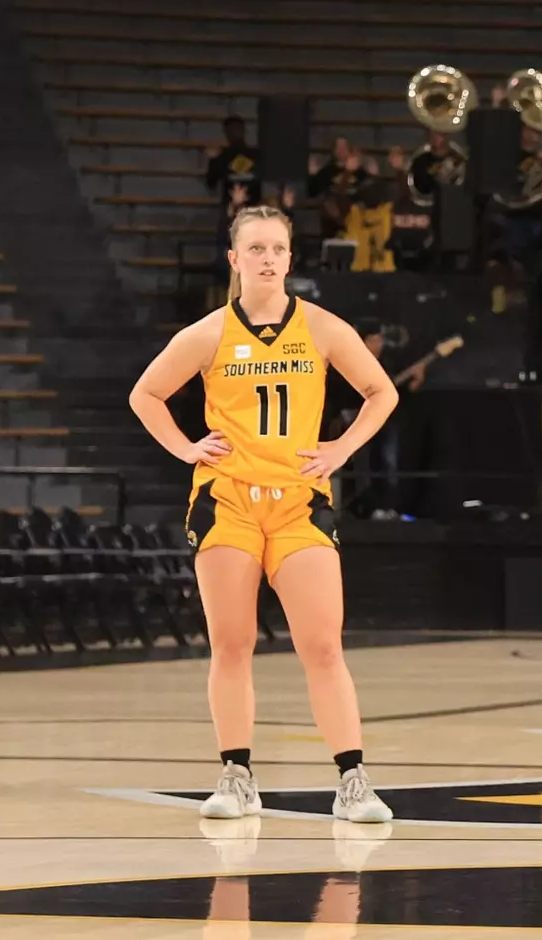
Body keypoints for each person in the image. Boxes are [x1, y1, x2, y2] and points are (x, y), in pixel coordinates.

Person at [128, 204, 398, 824]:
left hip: (300, 501)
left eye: (277, 248)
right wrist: (186, 448)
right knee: (232, 644)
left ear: (291, 259)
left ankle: (353, 779)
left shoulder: (324, 328)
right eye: (255, 249)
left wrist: (342, 448)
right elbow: (145, 393)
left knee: (323, 645)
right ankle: (236, 775)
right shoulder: (209, 332)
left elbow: (383, 391)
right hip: (228, 500)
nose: (268, 258)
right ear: (235, 259)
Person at [204, 115, 261, 211]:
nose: (235, 133)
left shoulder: (256, 155)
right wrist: (212, 161)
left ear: (244, 130)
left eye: (237, 129)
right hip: (231, 209)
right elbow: (211, 183)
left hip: (255, 208)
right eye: (231, 130)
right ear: (226, 133)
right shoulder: (221, 156)